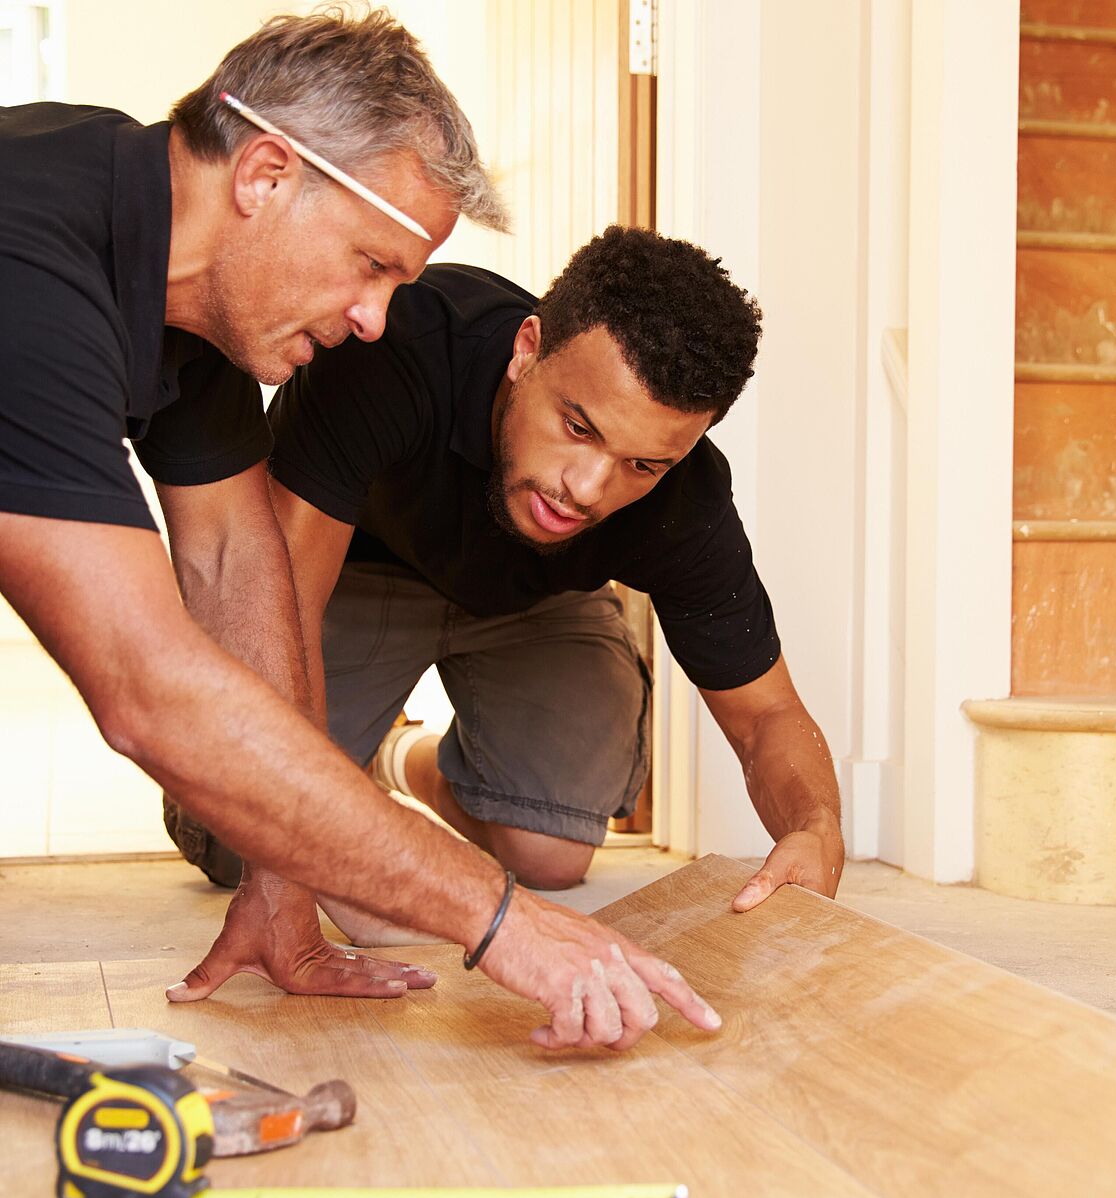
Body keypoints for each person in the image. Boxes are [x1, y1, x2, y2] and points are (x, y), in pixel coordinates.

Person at [0, 9, 720, 1052]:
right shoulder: (29, 266)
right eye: (370, 263)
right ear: (266, 175)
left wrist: (281, 877)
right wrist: (497, 914)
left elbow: (235, 559)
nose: (376, 321)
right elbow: (151, 690)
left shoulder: (181, 287)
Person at [177, 228, 846, 952]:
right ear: (527, 348)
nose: (586, 489)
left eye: (642, 465)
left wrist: (815, 830)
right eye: (576, 426)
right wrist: (346, 860)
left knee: (548, 855)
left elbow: (766, 715)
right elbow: (280, 612)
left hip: (538, 601)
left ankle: (398, 758)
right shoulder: (395, 350)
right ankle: (340, 779)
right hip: (358, 574)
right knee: (235, 839)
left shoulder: (686, 501)